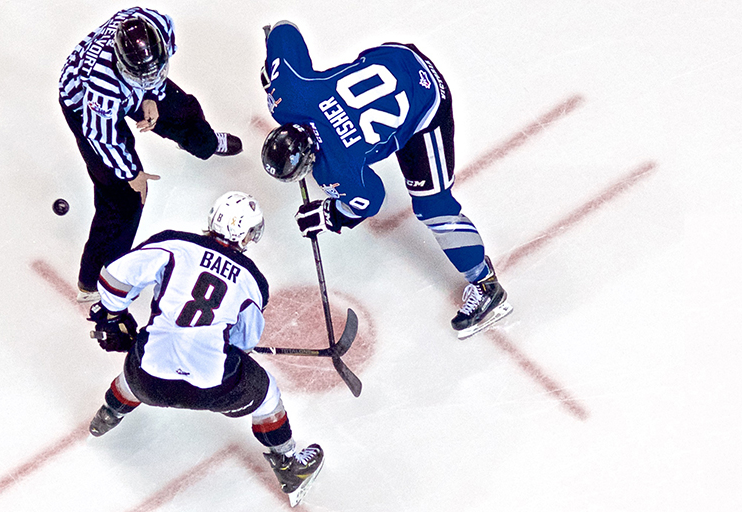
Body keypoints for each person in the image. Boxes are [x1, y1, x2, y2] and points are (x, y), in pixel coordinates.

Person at [259, 21, 512, 338]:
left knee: (434, 207)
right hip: (395, 57)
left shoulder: (337, 170)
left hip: (426, 103)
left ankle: (486, 285)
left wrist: (331, 214)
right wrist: (273, 68)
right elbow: (283, 30)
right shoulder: (287, 96)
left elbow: (370, 199)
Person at [85, 191, 323, 499]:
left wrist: (113, 314)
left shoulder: (174, 244)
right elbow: (244, 342)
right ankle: (289, 463)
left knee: (148, 356)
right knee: (266, 395)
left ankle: (109, 412)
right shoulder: (252, 280)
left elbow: (113, 277)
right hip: (213, 390)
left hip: (145, 383)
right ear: (247, 234)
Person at [59, 7, 244, 303]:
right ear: (122, 65)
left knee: (183, 111)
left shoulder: (157, 24)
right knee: (124, 201)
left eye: (156, 71)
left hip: (127, 91)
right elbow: (101, 138)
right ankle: (95, 281)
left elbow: (153, 76)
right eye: (141, 78)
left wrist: (152, 95)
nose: (151, 78)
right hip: (85, 108)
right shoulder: (102, 89)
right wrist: (132, 174)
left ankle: (205, 144)